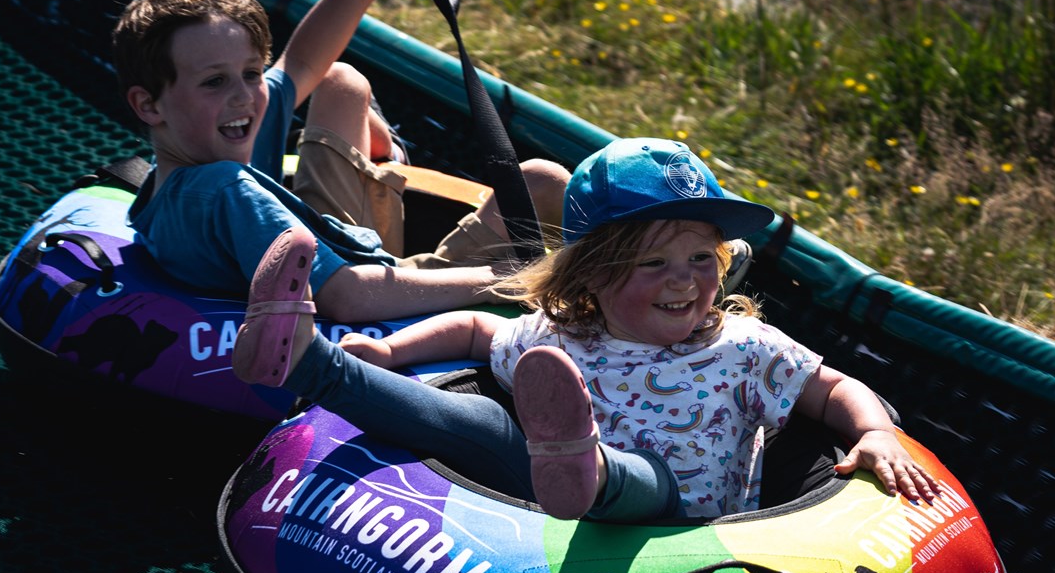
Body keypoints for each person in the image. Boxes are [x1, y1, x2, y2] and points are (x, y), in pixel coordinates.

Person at [231, 137, 939, 521]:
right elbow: (479, 331)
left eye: (701, 258)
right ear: (593, 277)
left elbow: (834, 387)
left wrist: (874, 431)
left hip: (674, 522)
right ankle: (310, 362)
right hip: (543, 492)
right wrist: (388, 349)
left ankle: (590, 472)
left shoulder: (745, 348)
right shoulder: (565, 335)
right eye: (653, 262)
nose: (685, 279)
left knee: (645, 477)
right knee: (476, 419)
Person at [111, 0, 570, 322]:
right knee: (545, 182)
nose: (244, 96)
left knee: (340, 81)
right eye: (215, 81)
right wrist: (510, 277)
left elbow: (304, 61)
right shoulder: (221, 189)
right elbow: (346, 296)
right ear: (148, 104)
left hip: (347, 252)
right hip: (384, 301)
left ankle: (385, 164)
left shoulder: (200, 153)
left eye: (251, 72)